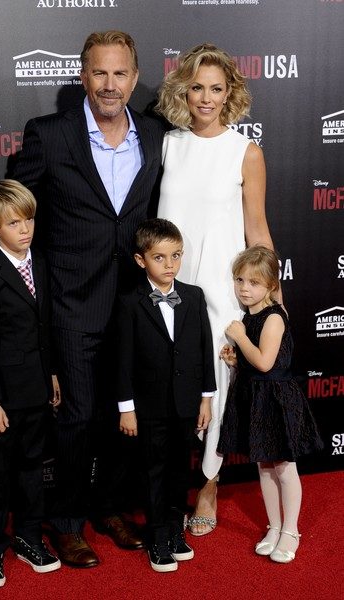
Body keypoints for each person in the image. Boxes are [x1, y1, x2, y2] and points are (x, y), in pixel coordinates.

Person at [0, 31, 164, 567]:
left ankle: (109, 507)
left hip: (135, 301)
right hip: (71, 302)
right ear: (83, 76)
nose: (110, 84)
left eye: (120, 73)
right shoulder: (49, 134)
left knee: (125, 412)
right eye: (100, 73)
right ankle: (67, 522)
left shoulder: (156, 134)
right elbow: (9, 206)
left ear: (135, 78)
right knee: (76, 418)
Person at [156, 43, 277, 536]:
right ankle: (164, 489)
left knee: (219, 393)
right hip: (166, 289)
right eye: (197, 87)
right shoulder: (168, 144)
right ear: (183, 90)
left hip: (220, 293)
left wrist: (273, 306)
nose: (206, 98)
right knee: (167, 388)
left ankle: (208, 486)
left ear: (231, 93)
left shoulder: (245, 152)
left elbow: (258, 231)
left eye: (216, 88)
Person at [0, 180, 61, 588]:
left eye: (29, 219)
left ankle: (28, 537)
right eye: (13, 223)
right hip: (3, 397)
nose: (25, 229)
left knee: (31, 470)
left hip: (36, 389)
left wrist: (51, 373)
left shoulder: (39, 260)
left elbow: (44, 328)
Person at [116, 219, 216, 572]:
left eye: (176, 255)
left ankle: (175, 530)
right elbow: (122, 361)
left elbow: (205, 349)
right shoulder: (129, 302)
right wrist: (126, 408)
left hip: (187, 402)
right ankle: (157, 537)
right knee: (153, 471)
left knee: (179, 470)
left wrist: (206, 398)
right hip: (149, 406)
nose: (170, 264)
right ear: (141, 260)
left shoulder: (194, 296)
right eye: (159, 258)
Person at [217, 246, 323, 563]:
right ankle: (274, 526)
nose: (244, 288)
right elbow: (256, 363)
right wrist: (237, 360)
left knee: (284, 469)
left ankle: (291, 530)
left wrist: (241, 338)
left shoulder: (274, 317)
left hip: (277, 400)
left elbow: (265, 362)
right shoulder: (248, 317)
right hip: (256, 398)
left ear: (271, 285)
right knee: (264, 466)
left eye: (254, 282)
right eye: (240, 280)